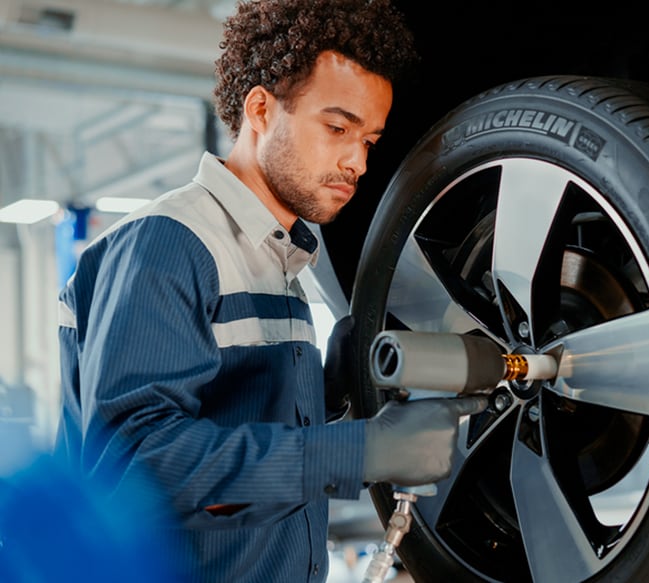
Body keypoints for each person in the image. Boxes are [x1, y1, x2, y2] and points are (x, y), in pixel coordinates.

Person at [53, 0, 488, 581]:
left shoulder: (278, 258)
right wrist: (355, 452)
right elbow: (134, 468)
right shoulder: (169, 244)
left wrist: (327, 396)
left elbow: (243, 434)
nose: (357, 162)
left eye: (370, 141)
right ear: (260, 108)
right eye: (337, 128)